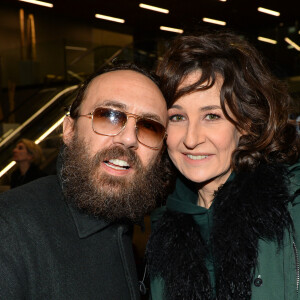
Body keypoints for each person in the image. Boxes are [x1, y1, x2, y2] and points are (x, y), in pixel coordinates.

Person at [146, 32, 300, 300]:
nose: (191, 139)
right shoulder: (163, 235)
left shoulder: (291, 207)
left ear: (247, 123)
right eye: (178, 117)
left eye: (211, 116)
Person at [0, 62, 172, 299]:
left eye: (150, 127)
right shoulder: (9, 228)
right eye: (109, 116)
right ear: (69, 130)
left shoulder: (145, 232)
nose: (129, 138)